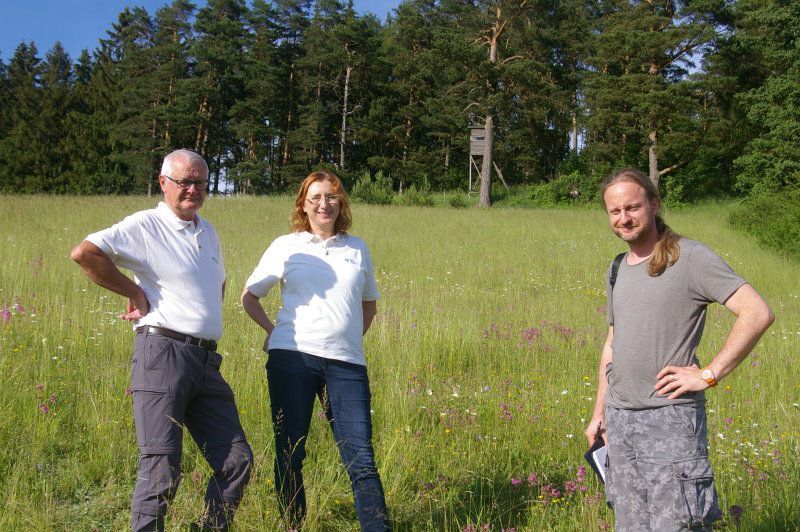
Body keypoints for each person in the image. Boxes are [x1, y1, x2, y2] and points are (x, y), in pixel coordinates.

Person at [71, 149, 252, 531]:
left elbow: (216, 284)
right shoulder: (146, 225)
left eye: (200, 183)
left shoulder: (208, 231)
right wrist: (134, 292)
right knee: (161, 470)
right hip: (163, 355)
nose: (193, 189)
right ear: (163, 183)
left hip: (206, 362)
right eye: (184, 182)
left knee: (236, 461)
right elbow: (85, 253)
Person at [584, 168, 774, 531]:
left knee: (679, 524)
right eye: (615, 211)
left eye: (632, 207)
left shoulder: (689, 257)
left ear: (654, 205)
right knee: (630, 524)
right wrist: (600, 414)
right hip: (620, 422)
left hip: (669, 421)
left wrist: (708, 375)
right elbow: (612, 344)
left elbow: (757, 312)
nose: (624, 218)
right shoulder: (618, 267)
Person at [241, 170, 390, 531]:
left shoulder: (357, 248)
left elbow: (369, 304)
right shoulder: (286, 245)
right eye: (316, 198)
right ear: (304, 206)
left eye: (332, 196)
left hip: (347, 364)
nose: (325, 204)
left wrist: (346, 338)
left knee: (361, 458)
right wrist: (273, 331)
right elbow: (250, 296)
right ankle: (294, 525)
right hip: (292, 358)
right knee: (290, 451)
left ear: (341, 203)